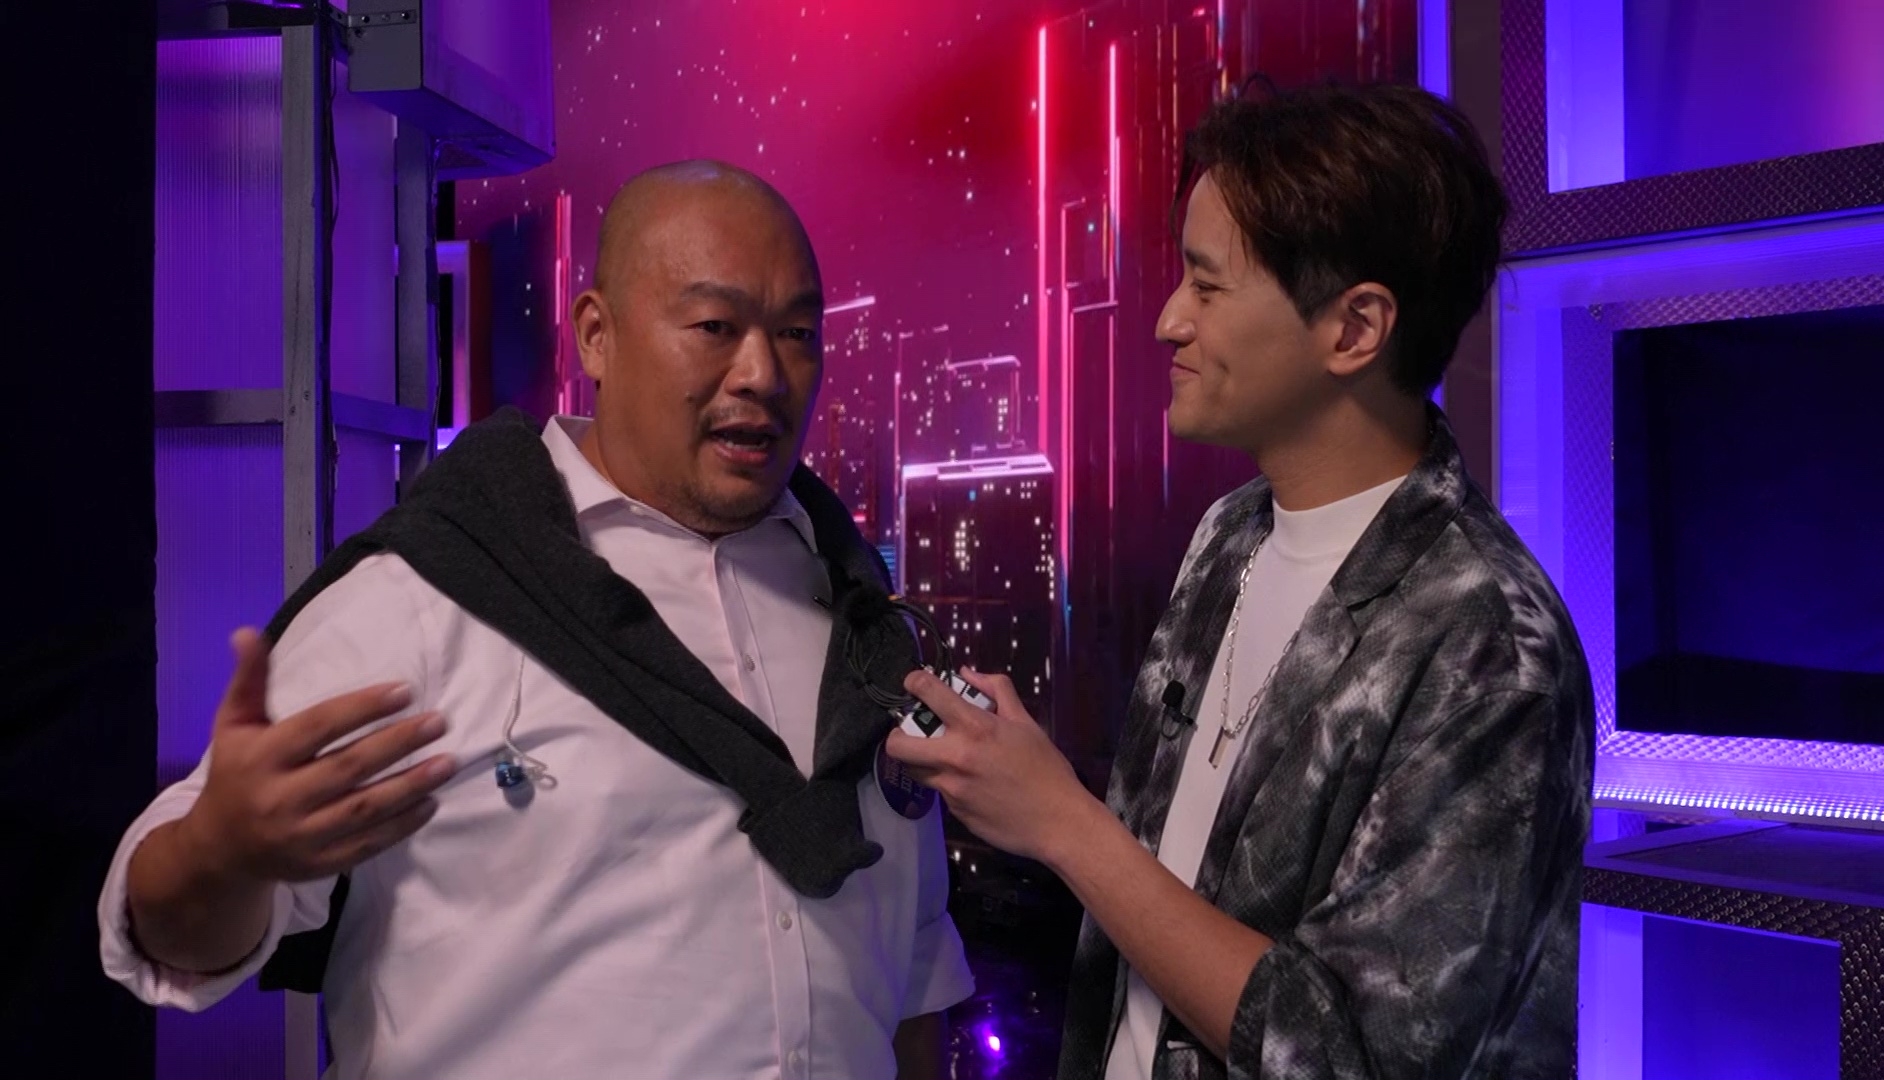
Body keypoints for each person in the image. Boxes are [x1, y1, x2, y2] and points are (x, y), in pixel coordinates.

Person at [99, 161, 972, 1079]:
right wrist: (222, 854)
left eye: (796, 333)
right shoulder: (431, 594)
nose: (763, 373)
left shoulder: (865, 622)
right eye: (715, 327)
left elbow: (910, 975)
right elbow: (167, 932)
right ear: (596, 335)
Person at [888, 84, 1594, 1080]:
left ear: (1355, 329)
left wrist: (1062, 821)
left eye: (1209, 287)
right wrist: (1015, 780)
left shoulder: (1489, 645)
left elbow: (1355, 1057)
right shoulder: (1230, 534)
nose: (1169, 320)